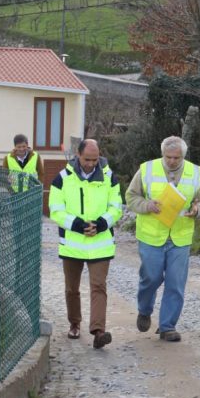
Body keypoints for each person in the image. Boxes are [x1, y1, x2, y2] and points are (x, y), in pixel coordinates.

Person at [126, 136, 200, 343]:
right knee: (151, 277)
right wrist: (147, 205)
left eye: (177, 158)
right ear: (162, 154)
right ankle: (144, 310)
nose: (172, 161)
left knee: (176, 282)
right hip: (151, 236)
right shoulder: (146, 170)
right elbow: (131, 197)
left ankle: (167, 326)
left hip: (180, 238)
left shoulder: (196, 173)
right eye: (168, 157)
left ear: (183, 156)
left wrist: (197, 210)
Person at [48, 139, 122, 348]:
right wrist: (78, 225)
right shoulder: (62, 178)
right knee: (72, 288)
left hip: (100, 243)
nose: (91, 164)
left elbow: (116, 207)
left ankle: (99, 331)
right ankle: (74, 323)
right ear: (78, 156)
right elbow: (56, 210)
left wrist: (101, 224)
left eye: (95, 159)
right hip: (73, 244)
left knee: (98, 286)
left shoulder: (109, 177)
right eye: (87, 159)